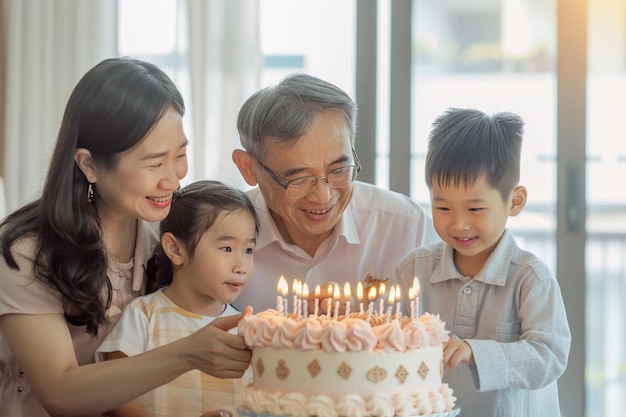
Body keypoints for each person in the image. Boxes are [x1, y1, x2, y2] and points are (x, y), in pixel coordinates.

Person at [0, 57, 251, 417]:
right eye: (153, 164)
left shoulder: (162, 236)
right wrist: (188, 353)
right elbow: (60, 391)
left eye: (180, 155)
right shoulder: (25, 253)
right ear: (89, 165)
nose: (173, 179)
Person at [391, 108, 571, 416]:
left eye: (475, 209)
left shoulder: (530, 278)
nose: (459, 224)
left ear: (514, 201)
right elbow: (383, 337)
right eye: (443, 208)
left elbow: (549, 357)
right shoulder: (413, 271)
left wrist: (477, 352)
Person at [231, 73, 439, 313]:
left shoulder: (408, 228)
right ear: (248, 167)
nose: (323, 196)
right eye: (299, 178)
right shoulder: (215, 238)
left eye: (339, 169)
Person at [96, 180, 259, 417]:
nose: (241, 266)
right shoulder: (144, 314)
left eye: (249, 250)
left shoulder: (247, 328)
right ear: (175, 249)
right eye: (226, 248)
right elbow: (113, 390)